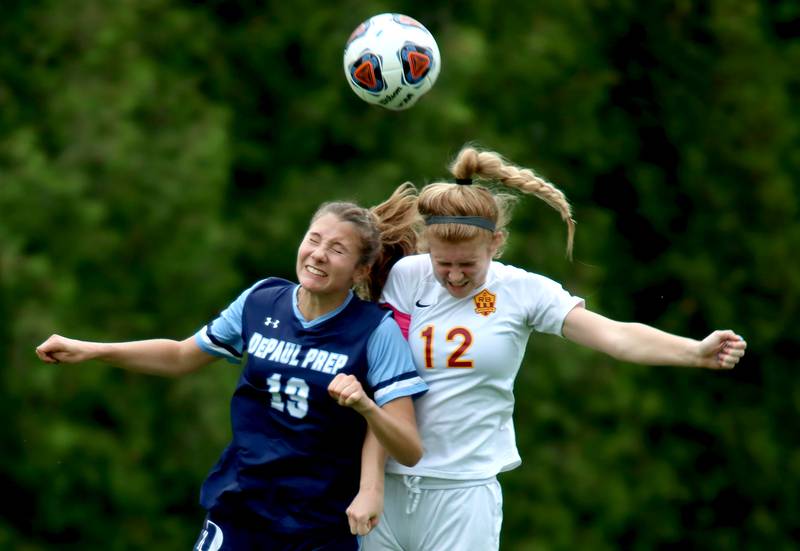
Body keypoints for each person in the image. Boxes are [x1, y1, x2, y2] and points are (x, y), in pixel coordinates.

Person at [361, 145, 748, 551]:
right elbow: (384, 378)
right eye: (443, 264)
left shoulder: (524, 291)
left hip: (464, 493)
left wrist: (694, 351)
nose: (455, 276)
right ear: (426, 247)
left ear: (496, 243)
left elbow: (614, 335)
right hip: (389, 484)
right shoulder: (407, 277)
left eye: (468, 265)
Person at [35, 187, 429, 551]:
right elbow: (179, 356)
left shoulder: (376, 330)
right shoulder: (261, 301)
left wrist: (365, 414)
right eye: (314, 239)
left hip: (321, 522)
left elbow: (409, 449)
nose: (319, 254)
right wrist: (92, 349)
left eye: (338, 249)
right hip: (243, 504)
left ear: (361, 271)